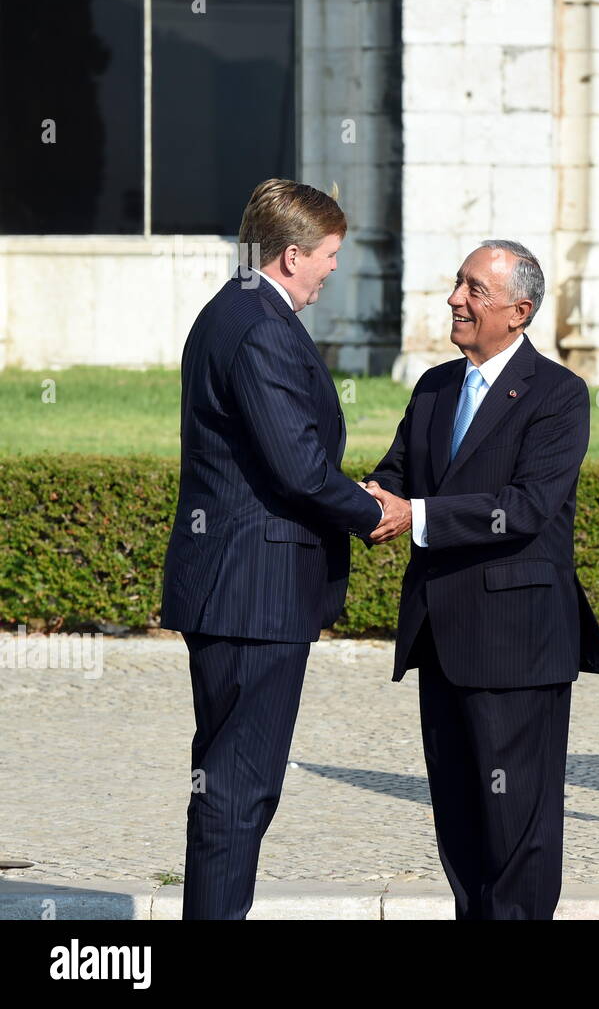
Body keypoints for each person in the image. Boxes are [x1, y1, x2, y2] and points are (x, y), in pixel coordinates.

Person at [161, 179, 402, 919]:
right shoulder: (259, 323)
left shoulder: (236, 308)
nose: (334, 268)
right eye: (330, 255)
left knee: (234, 784)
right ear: (292, 255)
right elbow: (296, 466)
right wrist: (374, 511)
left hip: (240, 585)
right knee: (240, 787)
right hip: (253, 590)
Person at [364, 238, 599, 920]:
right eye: (457, 284)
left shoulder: (559, 396)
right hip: (440, 641)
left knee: (517, 841)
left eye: (474, 289)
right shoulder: (435, 387)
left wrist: (413, 513)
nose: (455, 299)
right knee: (463, 834)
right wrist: (357, 500)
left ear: (519, 310)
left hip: (516, 648)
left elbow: (528, 508)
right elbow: (395, 476)